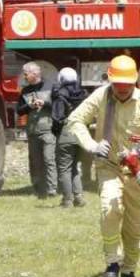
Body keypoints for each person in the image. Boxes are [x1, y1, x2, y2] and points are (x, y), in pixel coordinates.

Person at [66, 55, 140, 277]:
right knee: (110, 208)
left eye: (126, 85)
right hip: (109, 166)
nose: (122, 89)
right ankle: (112, 262)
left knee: (133, 226)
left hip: (137, 171)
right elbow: (75, 120)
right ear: (111, 81)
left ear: (134, 82)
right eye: (118, 84)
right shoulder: (101, 96)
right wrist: (92, 145)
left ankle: (129, 271)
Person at [17, 62, 56, 199]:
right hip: (32, 131)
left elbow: (57, 106)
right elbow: (19, 111)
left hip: (48, 130)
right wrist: (29, 106)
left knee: (49, 159)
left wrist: (44, 103)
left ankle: (52, 189)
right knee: (35, 162)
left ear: (35, 73)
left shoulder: (50, 87)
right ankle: (38, 189)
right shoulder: (25, 91)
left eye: (26, 74)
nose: (24, 76)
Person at [51, 67, 89, 208]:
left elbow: (57, 118)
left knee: (64, 168)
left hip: (66, 133)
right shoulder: (83, 94)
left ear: (61, 79)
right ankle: (78, 197)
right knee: (74, 167)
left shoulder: (60, 95)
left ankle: (67, 200)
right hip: (81, 133)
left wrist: (56, 132)